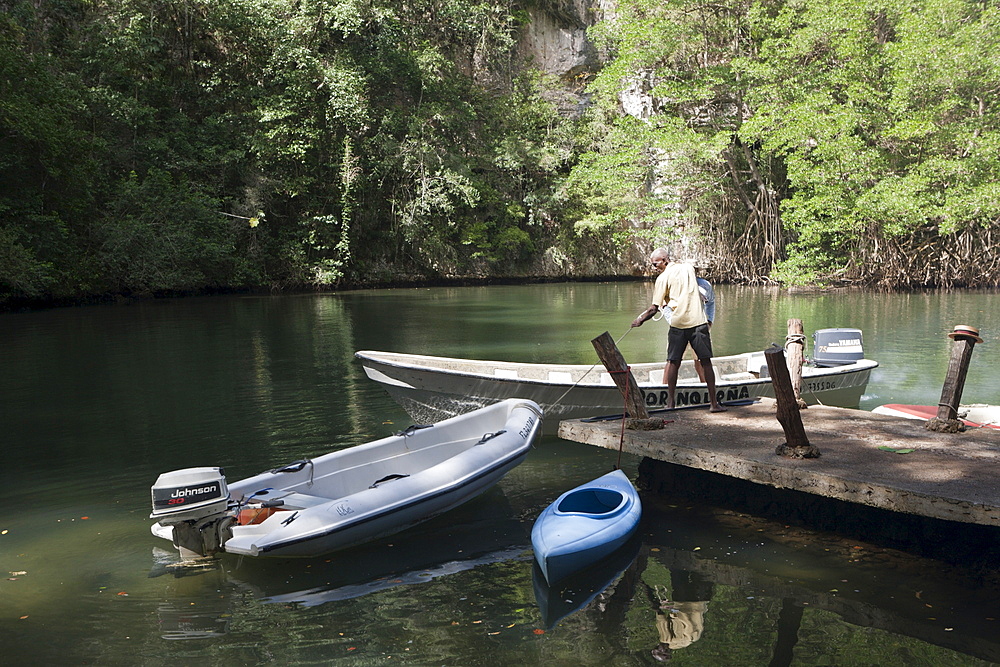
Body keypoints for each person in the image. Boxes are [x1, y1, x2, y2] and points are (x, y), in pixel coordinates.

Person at [631, 248, 726, 412]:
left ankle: (670, 403)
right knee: (705, 361)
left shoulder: (662, 278)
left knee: (673, 362)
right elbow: (699, 286)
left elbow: (654, 308)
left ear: (664, 260)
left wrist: (639, 320)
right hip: (698, 323)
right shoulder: (688, 268)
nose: (654, 267)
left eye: (655, 264)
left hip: (678, 325)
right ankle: (713, 404)